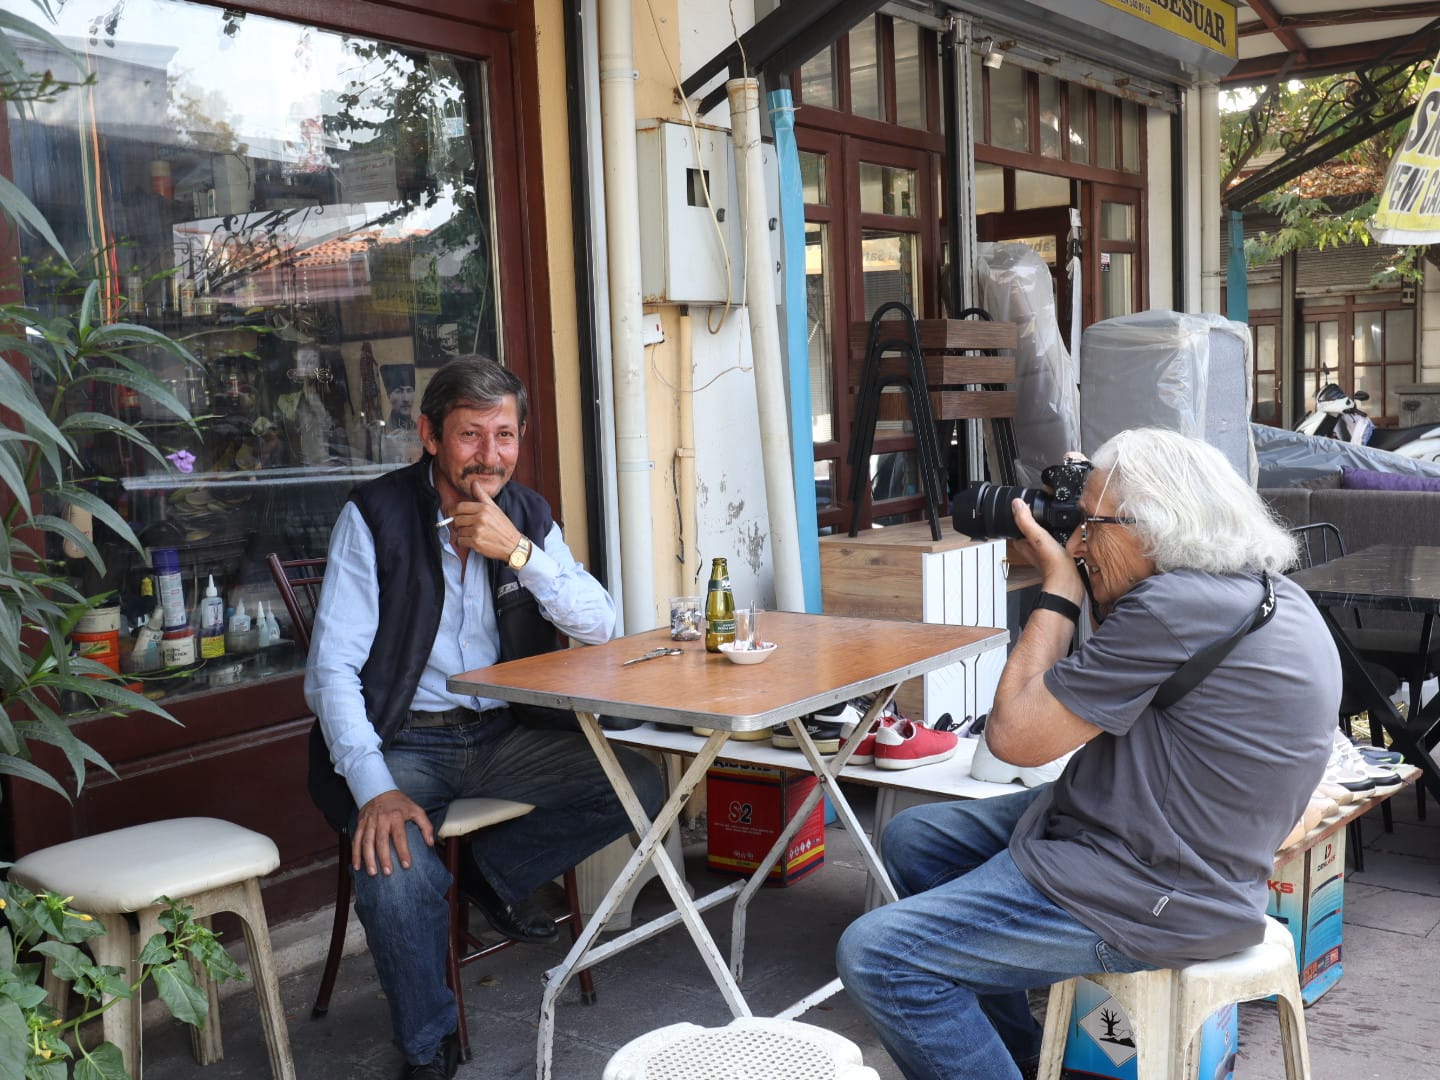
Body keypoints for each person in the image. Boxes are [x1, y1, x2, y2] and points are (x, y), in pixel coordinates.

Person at [836, 427, 1341, 1080]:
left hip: (1151, 889)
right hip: (1168, 842)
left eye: (1090, 524)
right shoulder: (1256, 590)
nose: (1078, 541)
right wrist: (1092, 546)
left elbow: (1012, 737)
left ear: (1152, 529)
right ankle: (1016, 1057)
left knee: (879, 955)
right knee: (915, 838)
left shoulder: (1171, 607)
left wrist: (1058, 589)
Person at [305, 355, 664, 1080]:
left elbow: (601, 625)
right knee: (396, 868)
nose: (490, 455)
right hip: (404, 741)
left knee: (637, 784)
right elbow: (331, 673)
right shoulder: (373, 516)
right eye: (471, 435)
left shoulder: (526, 514)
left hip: (505, 734)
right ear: (430, 434)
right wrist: (375, 789)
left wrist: (522, 554)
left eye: (504, 435)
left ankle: (486, 880)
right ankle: (429, 1045)